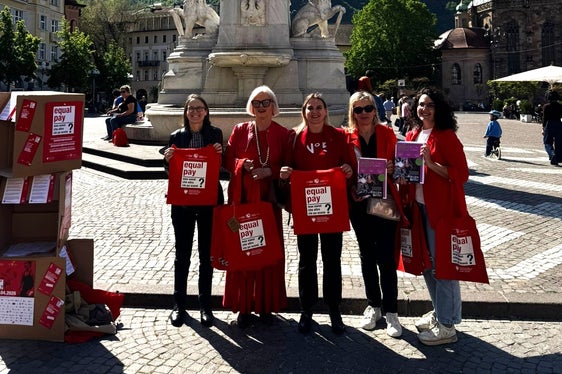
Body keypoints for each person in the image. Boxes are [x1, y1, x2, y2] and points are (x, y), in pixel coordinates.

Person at [279, 93, 355, 335]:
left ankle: (334, 309)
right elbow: (287, 167)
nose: (314, 112)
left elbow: (350, 166)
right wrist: (285, 174)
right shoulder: (294, 138)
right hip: (306, 209)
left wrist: (348, 169)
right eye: (310, 108)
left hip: (332, 210)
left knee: (332, 261)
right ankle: (307, 309)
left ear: (325, 111)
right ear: (304, 111)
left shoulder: (338, 136)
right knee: (307, 262)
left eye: (318, 107)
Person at [400, 87, 469, 346]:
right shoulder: (413, 134)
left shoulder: (446, 136)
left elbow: (461, 174)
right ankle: (440, 312)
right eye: (420, 104)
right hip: (418, 208)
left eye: (429, 105)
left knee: (444, 268)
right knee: (428, 265)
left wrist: (430, 164)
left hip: (440, 211)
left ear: (438, 108)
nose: (424, 109)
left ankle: (447, 325)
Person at [223, 85, 292, 328]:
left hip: (268, 204)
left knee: (268, 254)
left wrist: (270, 171)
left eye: (266, 102)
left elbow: (288, 167)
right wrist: (243, 164)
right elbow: (228, 160)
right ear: (251, 107)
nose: (261, 107)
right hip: (244, 203)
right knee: (243, 253)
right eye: (257, 103)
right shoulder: (240, 130)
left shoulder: (284, 134)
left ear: (274, 107)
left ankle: (266, 304)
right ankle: (243, 305)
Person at [163, 94, 224, 328]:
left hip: (209, 203)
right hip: (183, 205)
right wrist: (168, 160)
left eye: (199, 108)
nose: (196, 112)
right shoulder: (176, 137)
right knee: (182, 255)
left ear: (206, 112)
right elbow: (170, 174)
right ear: (186, 113)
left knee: (206, 256)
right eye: (191, 109)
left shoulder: (215, 134)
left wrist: (220, 152)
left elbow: (221, 166)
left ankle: (205, 305)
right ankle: (179, 305)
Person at [346, 91, 403, 338]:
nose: (364, 114)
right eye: (358, 110)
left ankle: (391, 311)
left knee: (387, 257)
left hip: (385, 202)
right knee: (366, 255)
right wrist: (350, 185)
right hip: (359, 204)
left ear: (374, 110)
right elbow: (343, 168)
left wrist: (393, 167)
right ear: (352, 113)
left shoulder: (387, 134)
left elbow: (402, 168)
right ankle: (374, 305)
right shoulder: (347, 137)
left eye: (367, 108)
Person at [542, 90, 562, 166]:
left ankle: (552, 153)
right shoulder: (560, 106)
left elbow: (544, 118)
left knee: (547, 142)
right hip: (559, 124)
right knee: (559, 142)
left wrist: (543, 128)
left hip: (549, 124)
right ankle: (558, 158)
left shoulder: (546, 106)